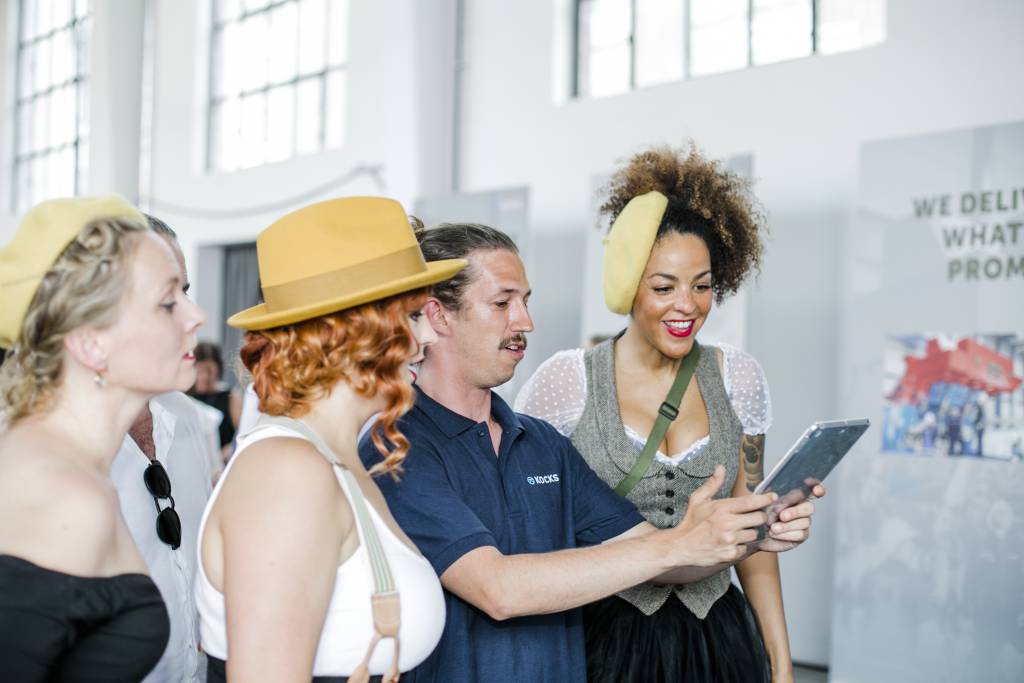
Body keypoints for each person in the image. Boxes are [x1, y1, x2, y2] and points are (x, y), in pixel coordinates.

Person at [358, 222, 822, 682]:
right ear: (438, 316)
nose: (526, 322)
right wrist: (678, 542)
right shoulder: (396, 447)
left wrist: (750, 533)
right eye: (503, 303)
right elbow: (497, 588)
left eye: (525, 302)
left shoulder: (543, 445)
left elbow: (654, 558)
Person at [517, 145, 813, 682]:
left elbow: (749, 530)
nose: (687, 305)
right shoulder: (566, 383)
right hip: (599, 637)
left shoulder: (737, 378)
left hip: (717, 638)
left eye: (702, 286)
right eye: (663, 287)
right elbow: (528, 530)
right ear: (628, 285)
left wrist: (782, 661)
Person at [195, 197, 464, 681]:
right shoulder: (289, 472)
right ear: (354, 331)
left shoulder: (330, 459)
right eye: (413, 316)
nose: (430, 339)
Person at [0, 196, 206, 680]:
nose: (195, 316)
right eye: (168, 302)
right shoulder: (58, 491)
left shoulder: (69, 462)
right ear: (91, 342)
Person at [110, 214, 218, 682]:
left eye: (187, 291)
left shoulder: (188, 416)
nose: (194, 315)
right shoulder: (35, 444)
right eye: (167, 297)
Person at [189, 341, 243, 458]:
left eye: (209, 371)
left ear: (218, 370)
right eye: (199, 371)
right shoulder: (184, 398)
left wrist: (223, 453)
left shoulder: (231, 397)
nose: (205, 376)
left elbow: (242, 436)